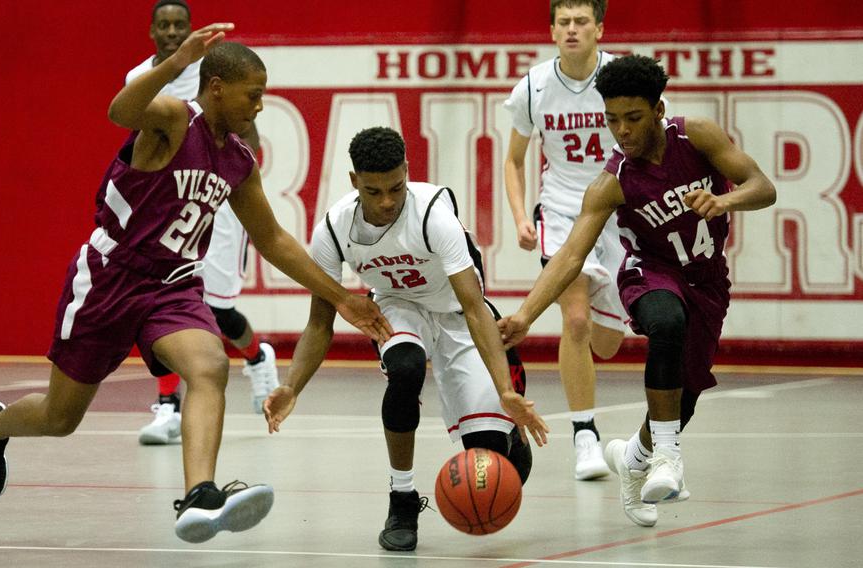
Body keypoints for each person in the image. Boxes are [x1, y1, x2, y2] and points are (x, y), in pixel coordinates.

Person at [0, 24, 391, 544]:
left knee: (210, 366)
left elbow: (274, 240)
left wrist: (341, 296)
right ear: (216, 87)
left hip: (173, 285)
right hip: (112, 277)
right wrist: (173, 64)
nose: (260, 106)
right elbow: (119, 112)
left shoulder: (239, 160)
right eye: (253, 95)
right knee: (60, 418)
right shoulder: (173, 119)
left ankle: (200, 495)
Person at [500, 54, 776, 528]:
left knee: (682, 398)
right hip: (648, 273)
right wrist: (525, 315)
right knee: (667, 321)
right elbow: (568, 257)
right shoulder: (613, 182)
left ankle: (634, 459)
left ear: (658, 110)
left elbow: (763, 187)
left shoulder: (698, 136)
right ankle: (668, 456)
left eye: (632, 118)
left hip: (707, 282)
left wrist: (723, 199)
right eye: (611, 120)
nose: (621, 131)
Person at [263, 127, 549, 551]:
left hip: (455, 313)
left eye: (395, 188)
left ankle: (506, 434)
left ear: (408, 173)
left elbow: (473, 307)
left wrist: (505, 391)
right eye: (373, 190)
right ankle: (402, 498)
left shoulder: (433, 213)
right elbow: (319, 324)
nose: (386, 202)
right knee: (405, 369)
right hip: (398, 306)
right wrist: (291, 385)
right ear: (353, 181)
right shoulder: (333, 229)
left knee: (501, 467)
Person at [127, 0, 279, 446]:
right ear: (152, 31)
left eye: (180, 25)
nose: (173, 32)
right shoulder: (140, 80)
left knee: (218, 311)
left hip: (216, 200)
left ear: (191, 30)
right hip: (165, 203)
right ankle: (169, 408)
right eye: (165, 25)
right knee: (163, 300)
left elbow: (244, 137)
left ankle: (256, 356)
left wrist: (232, 176)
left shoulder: (210, 74)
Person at [503, 0, 625, 481]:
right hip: (560, 212)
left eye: (581, 22)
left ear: (599, 28)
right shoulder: (533, 87)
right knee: (574, 321)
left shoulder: (622, 78)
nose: (572, 30)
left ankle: (606, 310)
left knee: (610, 343)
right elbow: (513, 161)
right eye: (564, 22)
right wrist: (519, 218)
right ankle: (585, 437)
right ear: (552, 30)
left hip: (617, 212)